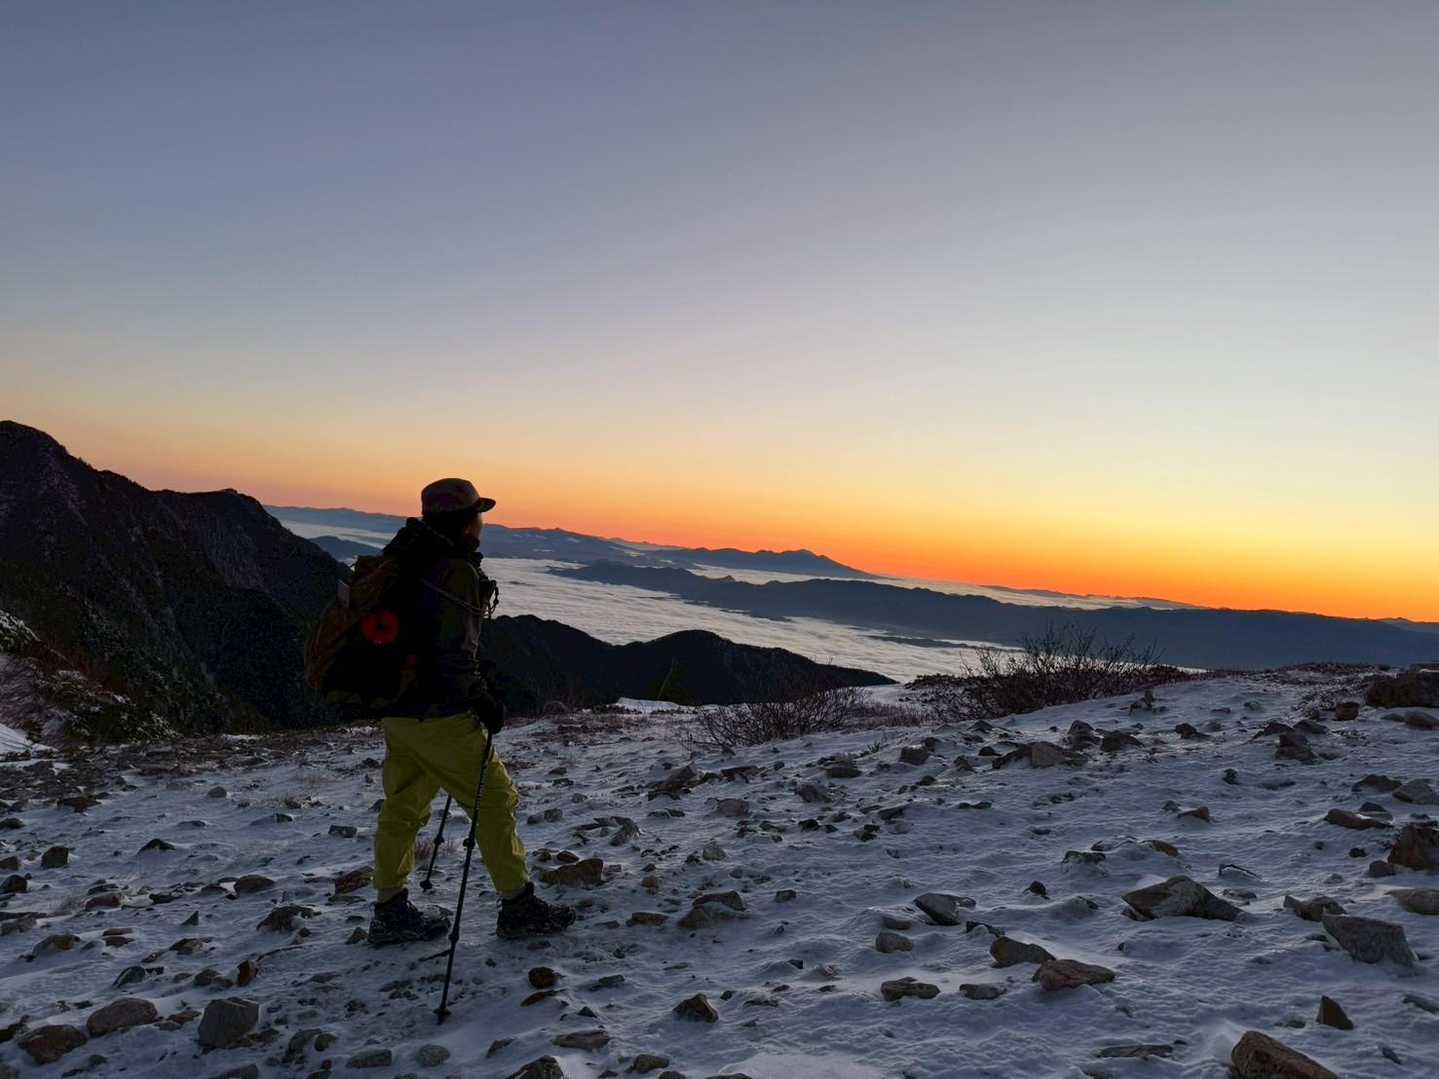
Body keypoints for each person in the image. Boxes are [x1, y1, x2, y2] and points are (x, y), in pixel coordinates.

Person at [368, 477, 574, 944]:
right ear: (466, 521)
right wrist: (481, 698)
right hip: (438, 714)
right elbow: (453, 656)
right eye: (478, 515)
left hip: (397, 708)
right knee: (495, 800)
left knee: (403, 808)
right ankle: (518, 906)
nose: (481, 523)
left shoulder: (403, 558)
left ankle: (389, 910)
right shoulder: (454, 570)